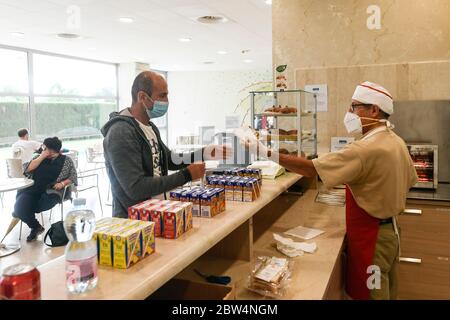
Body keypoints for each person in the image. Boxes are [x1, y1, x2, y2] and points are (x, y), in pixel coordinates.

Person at [245, 81, 418, 300]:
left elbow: (310, 169)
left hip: (372, 239)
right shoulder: (396, 142)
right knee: (387, 293)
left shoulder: (365, 148)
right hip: (391, 233)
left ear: (374, 110)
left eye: (354, 107)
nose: (350, 112)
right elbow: (409, 180)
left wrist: (263, 151)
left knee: (371, 295)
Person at [101, 71, 231, 218]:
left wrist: (204, 153)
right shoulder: (121, 132)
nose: (166, 101)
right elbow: (135, 187)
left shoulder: (149, 127)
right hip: (134, 221)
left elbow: (169, 160)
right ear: (142, 97)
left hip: (156, 212)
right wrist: (187, 175)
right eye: (162, 96)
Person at [12, 137, 78, 242]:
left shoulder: (66, 160)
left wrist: (62, 183)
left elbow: (73, 176)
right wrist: (42, 156)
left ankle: (22, 212)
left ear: (52, 149)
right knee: (19, 207)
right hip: (32, 190)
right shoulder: (38, 157)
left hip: (51, 192)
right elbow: (27, 169)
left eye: (45, 148)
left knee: (22, 209)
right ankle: (36, 227)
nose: (44, 149)